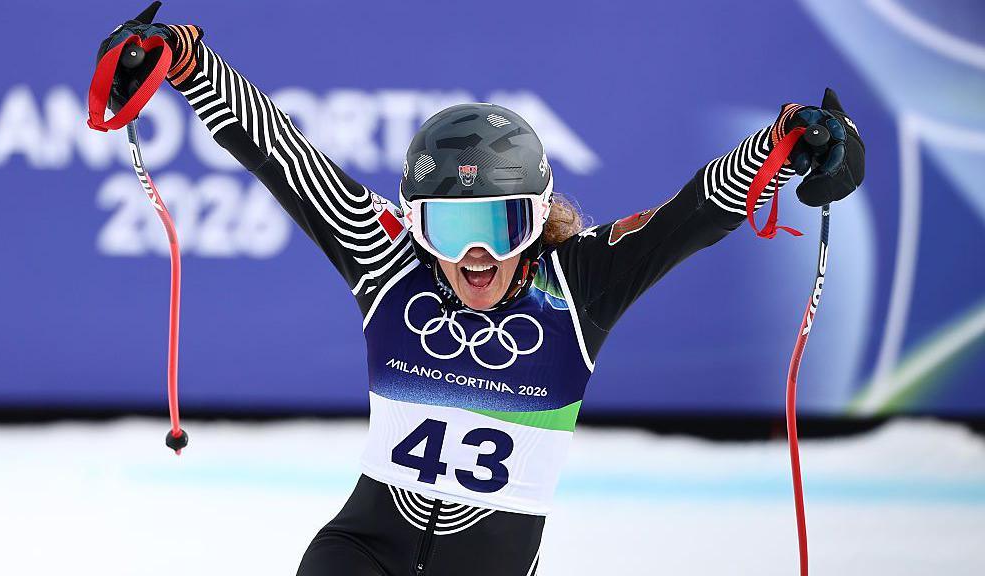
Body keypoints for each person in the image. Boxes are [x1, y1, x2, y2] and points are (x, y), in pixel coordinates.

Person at [98, 6, 864, 575]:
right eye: (448, 224)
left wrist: (790, 140)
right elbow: (285, 155)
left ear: (533, 223)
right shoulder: (387, 261)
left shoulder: (579, 287)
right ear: (414, 224)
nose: (472, 253)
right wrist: (189, 62)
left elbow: (691, 212)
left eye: (498, 224)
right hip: (357, 555)